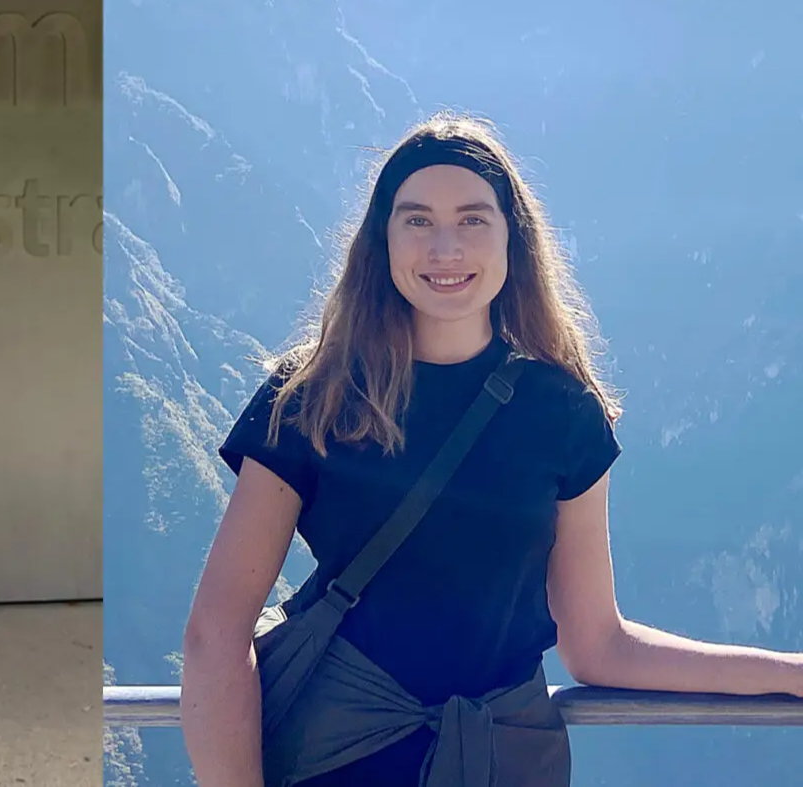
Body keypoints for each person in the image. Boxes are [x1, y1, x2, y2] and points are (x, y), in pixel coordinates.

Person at [179, 112, 803, 787]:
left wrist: (788, 673)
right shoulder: (314, 395)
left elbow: (598, 643)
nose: (445, 247)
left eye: (473, 219)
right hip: (339, 760)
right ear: (381, 241)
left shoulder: (563, 413)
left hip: (501, 764)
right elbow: (216, 633)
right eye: (417, 220)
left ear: (513, 239)